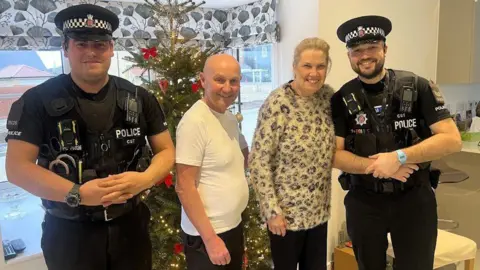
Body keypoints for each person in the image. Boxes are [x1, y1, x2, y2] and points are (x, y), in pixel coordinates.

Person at [4, 4, 175, 270]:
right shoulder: (36, 101)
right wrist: (78, 193)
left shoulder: (140, 98)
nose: (91, 52)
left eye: (100, 44)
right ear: (65, 47)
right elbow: (17, 168)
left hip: (131, 228)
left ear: (111, 48)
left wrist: (146, 179)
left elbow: (166, 150)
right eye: (81, 43)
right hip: (69, 233)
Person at [331, 15, 462, 270]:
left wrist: (400, 157)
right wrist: (380, 166)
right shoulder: (341, 99)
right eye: (357, 50)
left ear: (385, 49)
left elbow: (452, 139)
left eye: (371, 47)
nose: (364, 55)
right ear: (349, 56)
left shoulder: (417, 86)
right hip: (364, 202)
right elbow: (334, 155)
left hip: (413, 200)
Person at [248, 37, 336, 270]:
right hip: (285, 217)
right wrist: (272, 211)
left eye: (320, 66)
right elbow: (258, 161)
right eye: (307, 65)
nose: (314, 73)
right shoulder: (278, 102)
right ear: (295, 66)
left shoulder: (328, 98)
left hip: (319, 213)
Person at [175, 54, 249, 270]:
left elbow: (244, 158)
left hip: (232, 226)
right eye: (220, 80)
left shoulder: (228, 117)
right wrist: (210, 240)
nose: (227, 88)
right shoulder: (194, 122)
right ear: (202, 80)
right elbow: (184, 186)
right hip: (207, 235)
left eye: (233, 81)